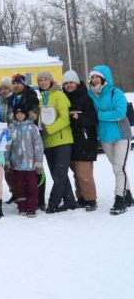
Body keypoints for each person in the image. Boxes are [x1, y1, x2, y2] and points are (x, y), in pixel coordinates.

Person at [88, 65, 132, 214]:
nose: (93, 79)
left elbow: (120, 112)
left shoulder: (115, 92)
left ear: (103, 77)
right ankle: (129, 195)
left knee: (118, 168)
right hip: (105, 137)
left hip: (121, 135)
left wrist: (99, 115)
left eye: (96, 76)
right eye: (92, 77)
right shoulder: (90, 94)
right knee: (117, 167)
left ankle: (119, 199)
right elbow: (89, 113)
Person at [37, 71, 77, 213]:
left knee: (59, 175)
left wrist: (50, 129)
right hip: (48, 143)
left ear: (51, 81)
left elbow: (65, 119)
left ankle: (53, 203)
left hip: (62, 141)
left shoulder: (60, 95)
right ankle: (70, 201)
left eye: (45, 79)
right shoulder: (42, 99)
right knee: (58, 174)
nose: (43, 82)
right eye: (40, 80)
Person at [62, 70, 99, 211]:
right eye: (66, 83)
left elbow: (93, 119)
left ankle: (91, 199)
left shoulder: (85, 98)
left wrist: (79, 118)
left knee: (84, 173)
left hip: (85, 140)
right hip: (71, 141)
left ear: (76, 83)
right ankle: (81, 198)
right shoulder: (64, 98)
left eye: (71, 82)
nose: (69, 85)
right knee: (76, 173)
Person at [7, 73, 45, 207]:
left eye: (18, 83)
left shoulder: (31, 95)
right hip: (15, 132)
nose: (16, 85)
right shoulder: (11, 98)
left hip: (29, 133)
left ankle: (39, 200)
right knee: (18, 175)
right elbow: (9, 114)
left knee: (36, 173)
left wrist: (27, 118)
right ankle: (20, 198)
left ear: (23, 84)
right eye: (14, 83)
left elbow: (35, 112)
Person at [7, 105, 44, 218]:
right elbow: (6, 144)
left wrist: (38, 162)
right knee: (19, 187)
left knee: (32, 186)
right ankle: (22, 207)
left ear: (26, 115)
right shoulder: (11, 127)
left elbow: (38, 146)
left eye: (22, 113)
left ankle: (32, 207)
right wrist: (7, 160)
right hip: (16, 164)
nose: (19, 116)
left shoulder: (32, 127)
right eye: (17, 114)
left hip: (30, 164)